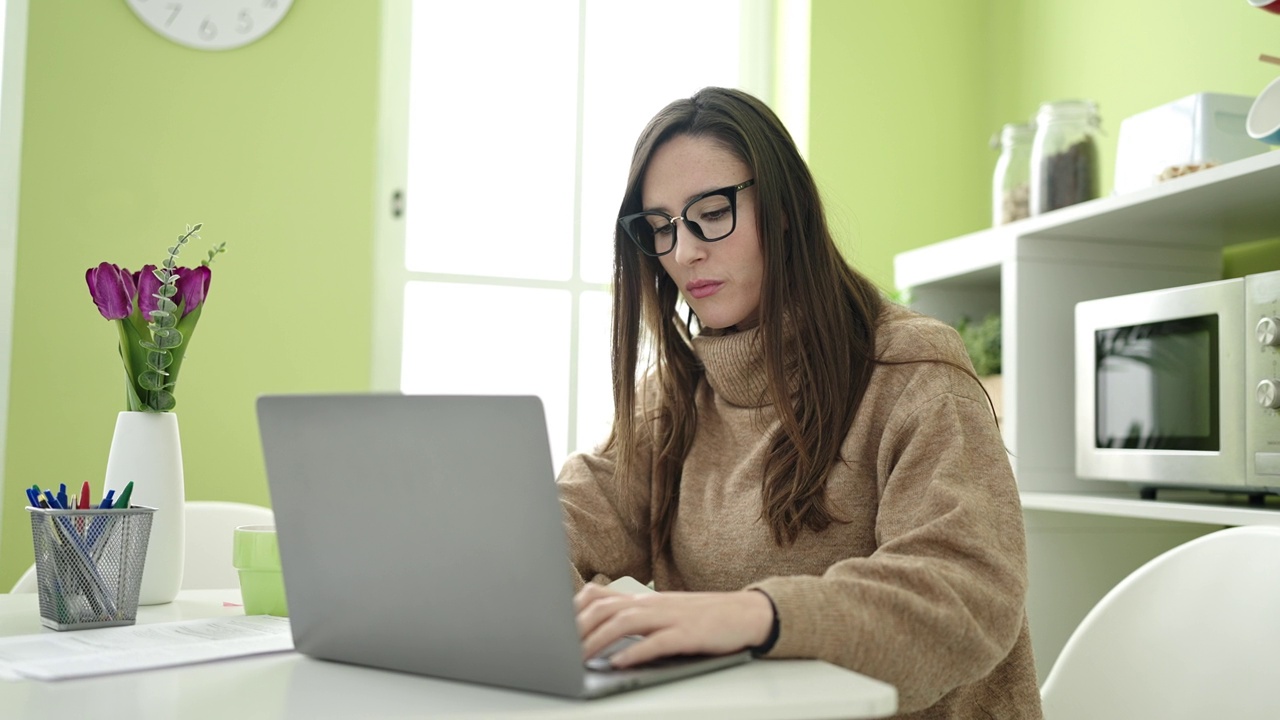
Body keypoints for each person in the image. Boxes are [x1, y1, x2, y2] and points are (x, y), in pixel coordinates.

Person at [557, 86, 1043, 718]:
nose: (684, 252)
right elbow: (561, 521)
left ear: (784, 212)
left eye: (711, 213)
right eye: (659, 228)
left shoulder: (913, 372)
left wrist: (754, 616)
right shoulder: (677, 397)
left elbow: (966, 595)